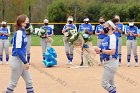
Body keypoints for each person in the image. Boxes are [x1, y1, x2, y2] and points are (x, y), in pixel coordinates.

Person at [6, 14, 34, 93]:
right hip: (17, 60)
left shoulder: (23, 32)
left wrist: (14, 40)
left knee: (29, 82)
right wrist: (25, 62)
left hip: (21, 59)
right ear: (22, 23)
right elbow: (18, 50)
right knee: (13, 83)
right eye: (27, 22)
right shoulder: (19, 33)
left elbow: (13, 42)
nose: (28, 23)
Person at [95, 20, 118, 93]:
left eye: (105, 26)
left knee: (104, 83)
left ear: (110, 27)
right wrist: (86, 48)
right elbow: (99, 51)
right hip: (107, 62)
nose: (103, 28)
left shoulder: (112, 37)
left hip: (111, 62)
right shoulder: (106, 38)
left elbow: (112, 51)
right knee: (111, 84)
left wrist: (101, 50)